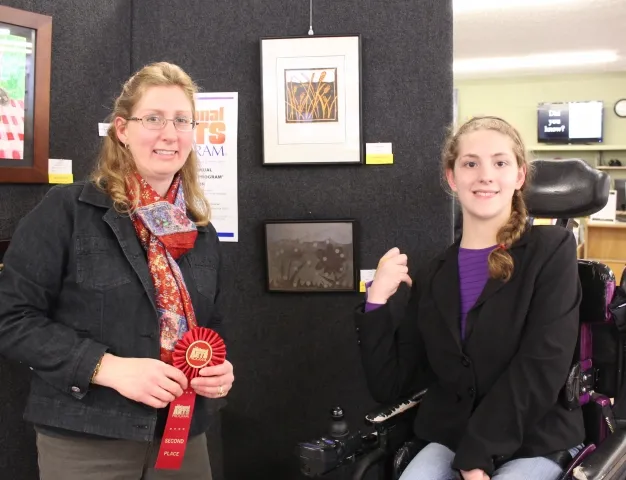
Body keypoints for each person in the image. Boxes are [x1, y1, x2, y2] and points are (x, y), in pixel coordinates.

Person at [0, 62, 231, 480]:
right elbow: (10, 319)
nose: (169, 133)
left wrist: (217, 369)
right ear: (122, 130)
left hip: (181, 438)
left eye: (182, 120)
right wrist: (107, 368)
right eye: (154, 119)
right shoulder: (66, 211)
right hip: (86, 440)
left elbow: (211, 325)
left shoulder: (201, 231)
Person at [355, 116, 585, 480]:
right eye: (470, 163)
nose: (485, 175)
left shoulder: (551, 251)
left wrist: (476, 458)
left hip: (534, 437)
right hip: (450, 435)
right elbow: (391, 385)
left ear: (520, 176)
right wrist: (377, 303)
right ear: (452, 177)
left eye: (500, 162)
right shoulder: (435, 273)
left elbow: (541, 368)